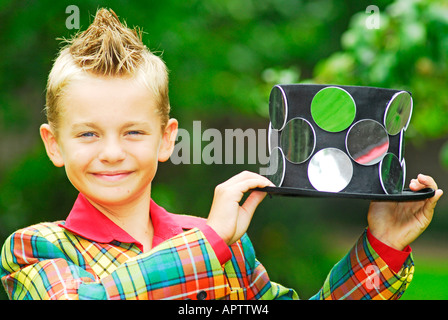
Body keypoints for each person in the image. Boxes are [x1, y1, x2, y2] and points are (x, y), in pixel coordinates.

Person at [0, 8, 443, 300]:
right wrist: (210, 242)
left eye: (133, 132)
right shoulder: (34, 250)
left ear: (167, 138)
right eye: (88, 135)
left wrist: (383, 246)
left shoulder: (228, 249)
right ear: (54, 144)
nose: (112, 153)